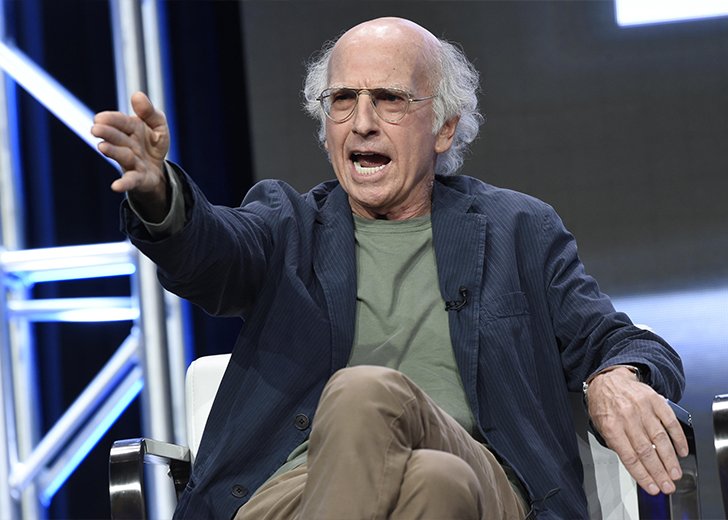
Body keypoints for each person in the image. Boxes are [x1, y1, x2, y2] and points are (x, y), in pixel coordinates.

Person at [92, 17, 688, 520]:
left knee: (367, 396)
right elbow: (211, 253)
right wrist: (159, 194)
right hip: (296, 490)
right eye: (343, 100)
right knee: (432, 483)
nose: (362, 122)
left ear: (445, 127)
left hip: (487, 484)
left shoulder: (518, 230)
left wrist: (617, 375)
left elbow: (622, 341)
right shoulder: (287, 225)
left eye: (390, 99)